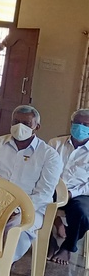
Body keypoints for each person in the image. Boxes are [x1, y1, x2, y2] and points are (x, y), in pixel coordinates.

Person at [0, 105, 63, 274]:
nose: (20, 127)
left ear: (36, 127)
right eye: (16, 122)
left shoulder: (49, 155)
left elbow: (44, 194)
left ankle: (2, 264)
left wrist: (16, 209)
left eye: (26, 123)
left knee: (16, 228)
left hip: (31, 208)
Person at [50, 109, 89, 264]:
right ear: (71, 124)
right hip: (52, 189)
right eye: (78, 123)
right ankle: (49, 241)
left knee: (83, 214)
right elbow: (44, 169)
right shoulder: (55, 143)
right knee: (35, 203)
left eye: (86, 124)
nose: (81, 127)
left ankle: (67, 247)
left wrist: (72, 193)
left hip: (80, 194)